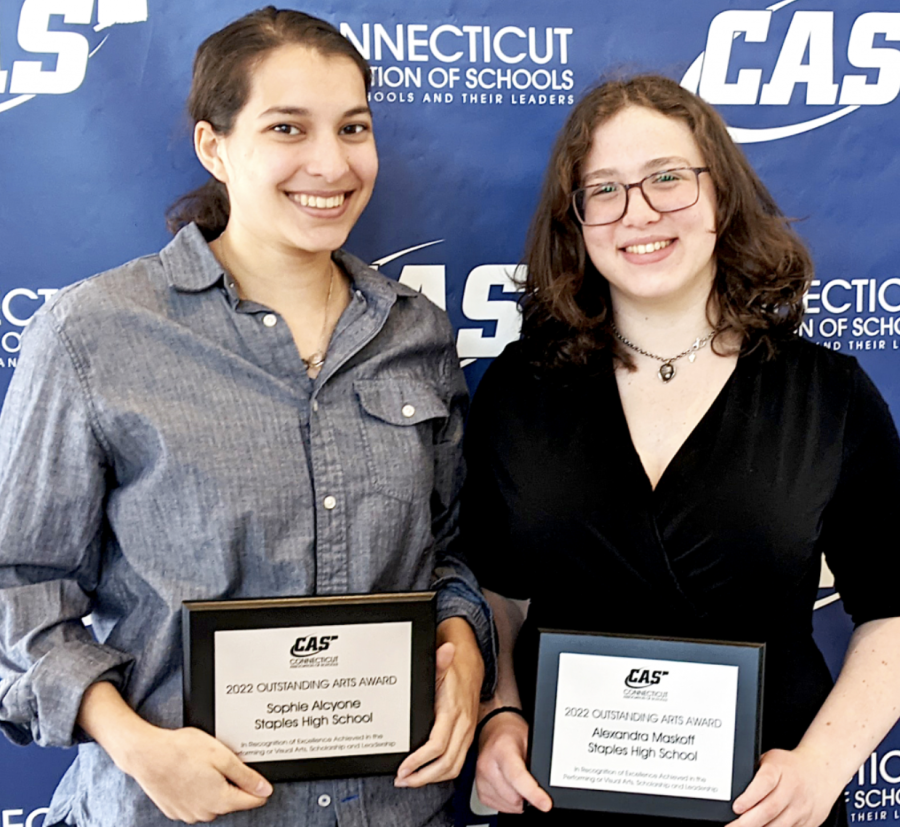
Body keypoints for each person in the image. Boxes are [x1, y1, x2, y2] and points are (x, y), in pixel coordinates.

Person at [0, 8, 494, 826]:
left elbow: (446, 552)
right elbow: (16, 581)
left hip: (393, 808)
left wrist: (465, 644)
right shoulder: (95, 331)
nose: (330, 163)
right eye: (287, 128)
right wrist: (130, 739)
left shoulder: (415, 332)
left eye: (353, 127)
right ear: (214, 146)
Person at [463, 74, 900, 827]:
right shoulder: (520, 389)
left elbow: (897, 605)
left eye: (668, 178)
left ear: (722, 195)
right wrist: (499, 713)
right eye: (604, 189)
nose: (639, 212)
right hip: (560, 800)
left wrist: (824, 766)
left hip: (766, 809)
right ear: (576, 221)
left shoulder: (827, 395)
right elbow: (494, 591)